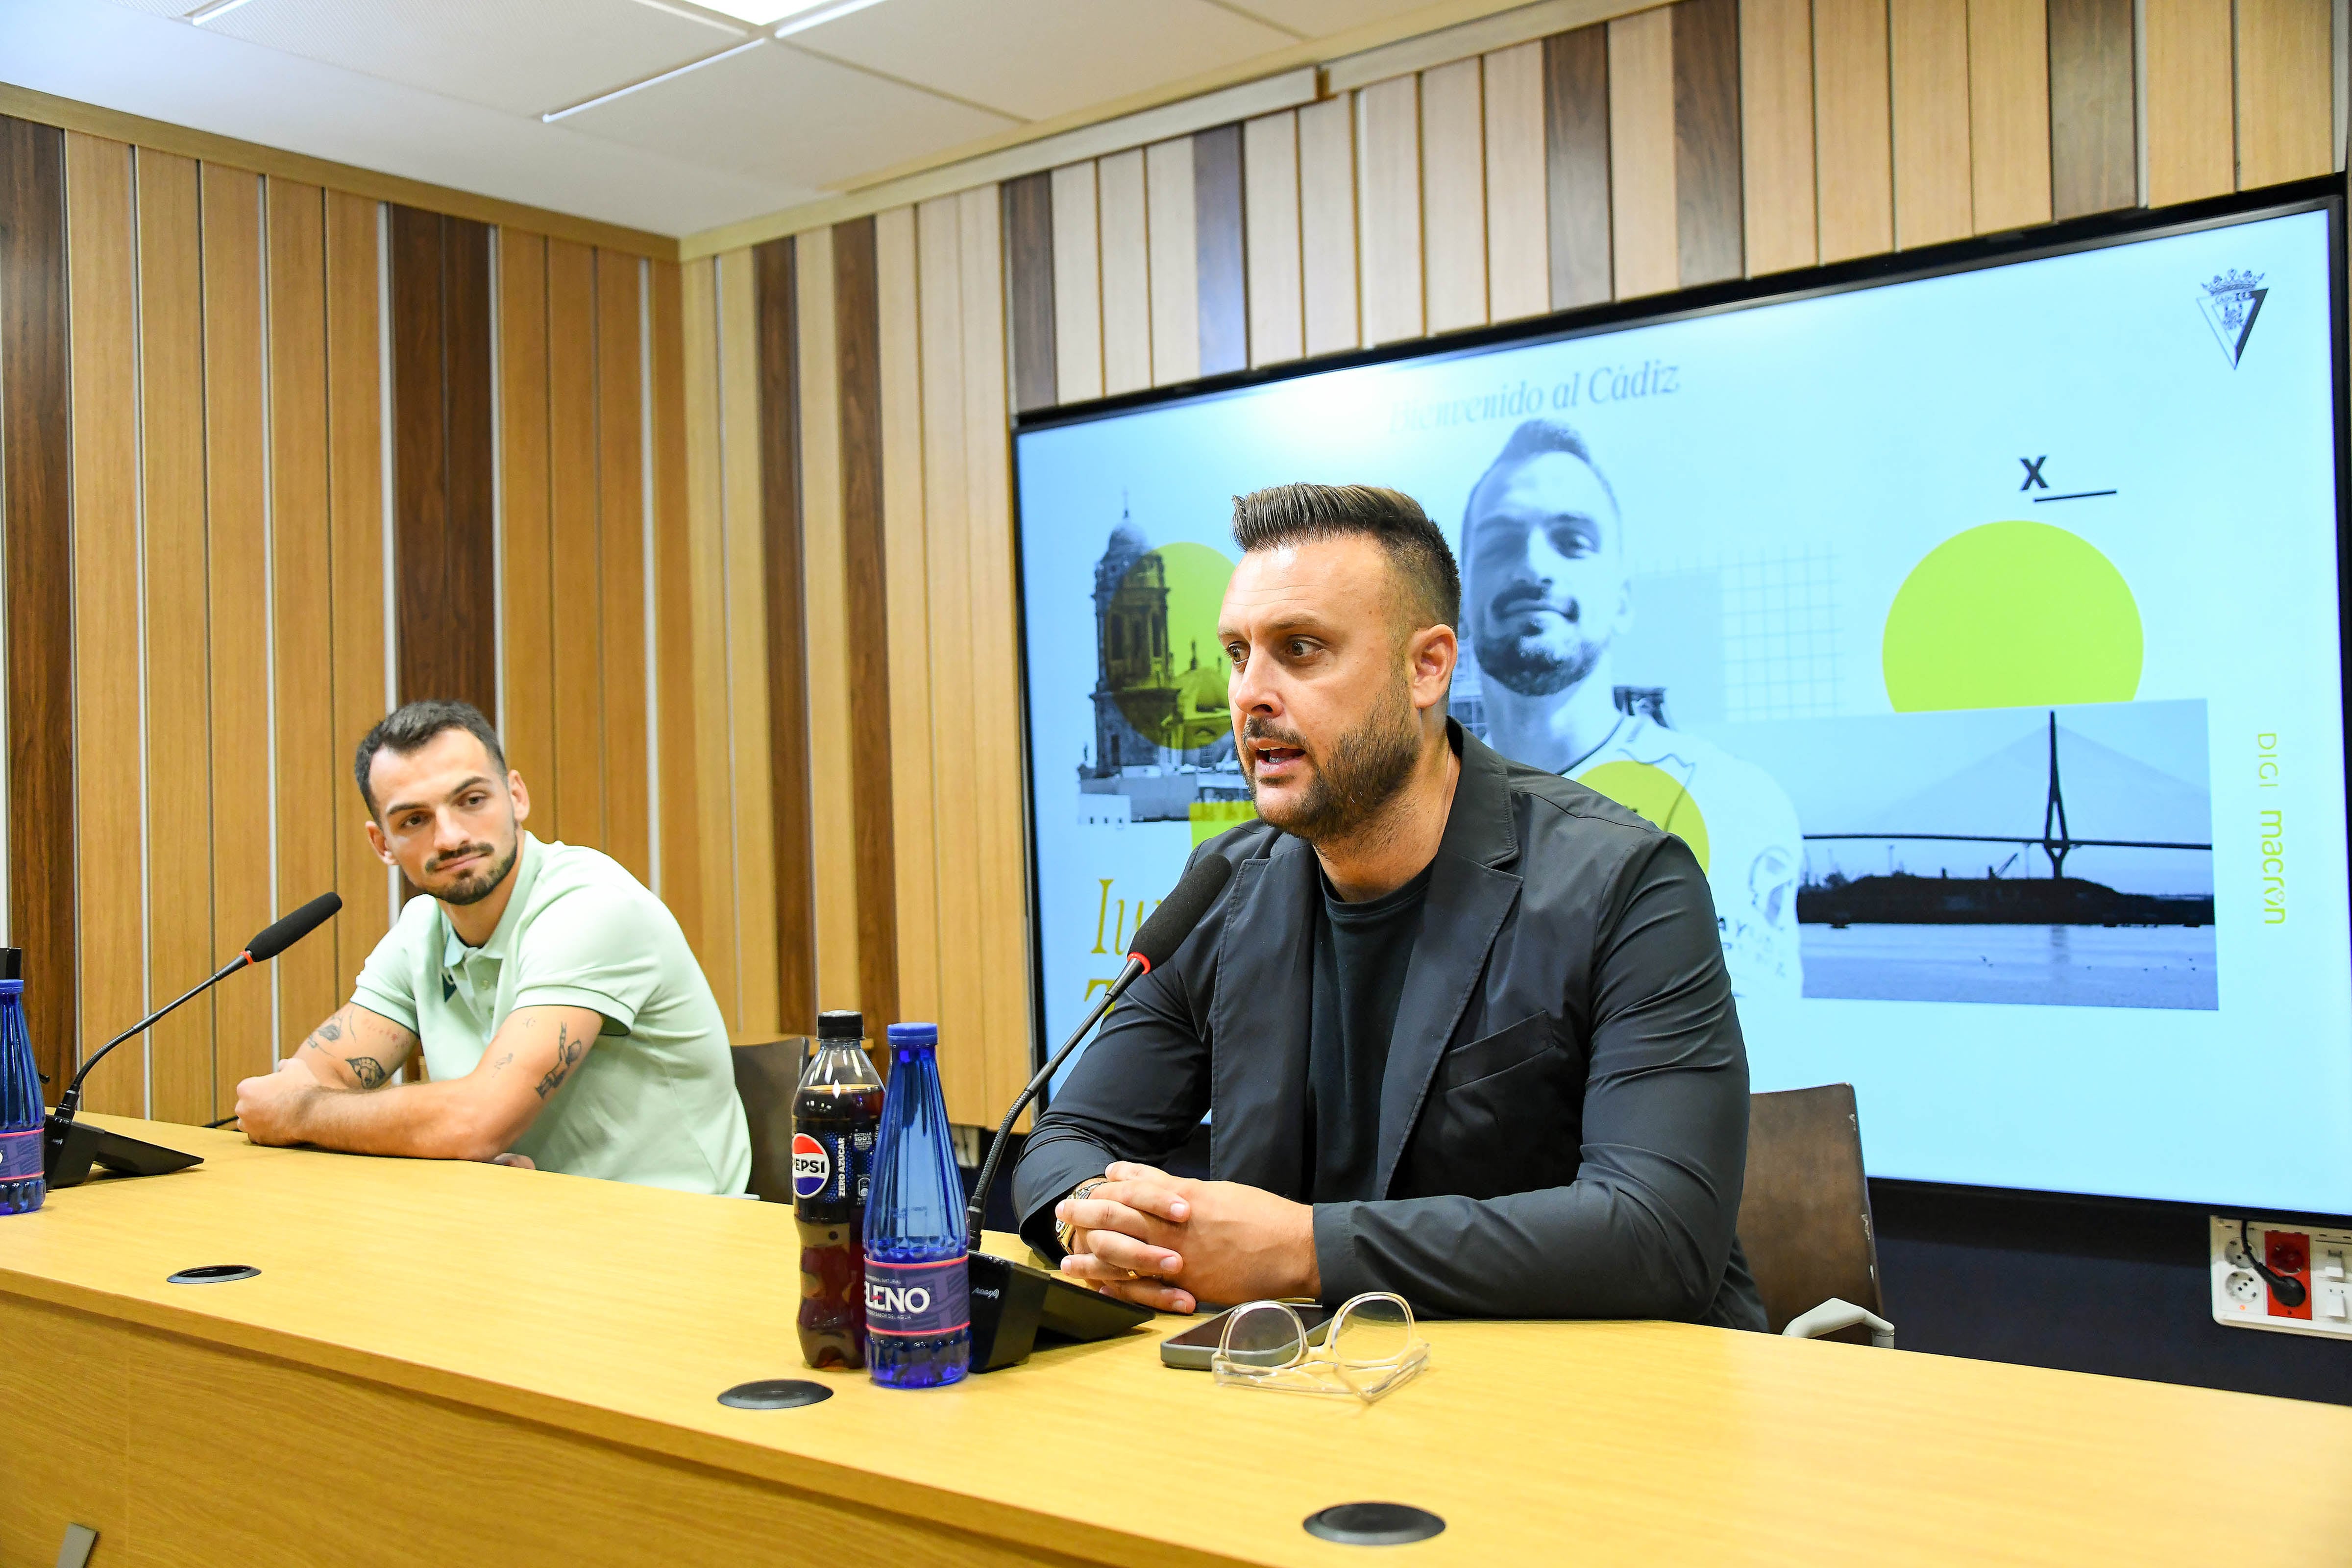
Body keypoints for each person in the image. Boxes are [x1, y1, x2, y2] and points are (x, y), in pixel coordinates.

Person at [1012, 484, 1765, 1326]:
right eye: (1236, 654)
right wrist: (1098, 1220)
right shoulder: (1222, 888)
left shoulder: (1626, 882)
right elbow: (1063, 1144)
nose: (1250, 695)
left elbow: (1660, 1236)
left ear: (1428, 667)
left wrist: (1304, 1249)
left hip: (1589, 1414)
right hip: (1314, 1399)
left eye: (1298, 650)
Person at [233, 700, 753, 1195]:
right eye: (414, 819)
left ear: (517, 796)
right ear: (382, 843)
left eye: (471, 800)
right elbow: (316, 1076)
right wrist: (440, 1142)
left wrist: (306, 1114)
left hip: (673, 1237)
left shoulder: (589, 905)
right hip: (522, 1228)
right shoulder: (422, 929)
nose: (451, 837)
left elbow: (475, 1120)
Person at [1463, 419, 1804, 998]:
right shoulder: (1401, 820)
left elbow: (1729, 1061)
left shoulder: (1723, 800)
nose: (1534, 568)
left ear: (1622, 599)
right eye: (1499, 543)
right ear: (1461, 600)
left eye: (1573, 542)